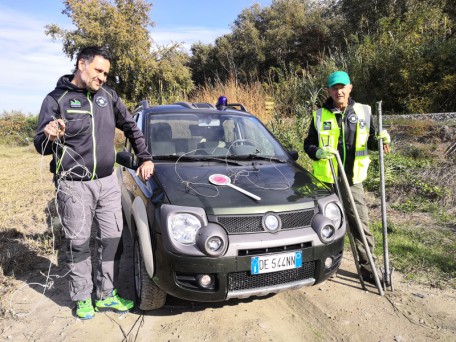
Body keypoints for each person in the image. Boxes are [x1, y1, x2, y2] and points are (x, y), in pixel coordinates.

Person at [34, 46, 155, 319]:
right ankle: (82, 297)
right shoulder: (57, 99)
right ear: (81, 64)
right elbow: (40, 146)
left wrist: (145, 157)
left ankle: (106, 295)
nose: (102, 77)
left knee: (112, 239)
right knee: (78, 243)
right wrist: (50, 134)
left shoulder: (108, 96)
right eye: (98, 70)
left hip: (108, 181)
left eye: (106, 73)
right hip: (73, 185)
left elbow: (131, 127)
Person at [304, 71, 391, 284]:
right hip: (327, 181)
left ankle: (369, 268)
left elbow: (371, 141)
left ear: (350, 87)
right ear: (329, 91)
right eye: (334, 88)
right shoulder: (319, 115)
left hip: (352, 180)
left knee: (360, 224)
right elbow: (309, 144)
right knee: (323, 224)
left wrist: (381, 138)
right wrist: (317, 152)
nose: (338, 91)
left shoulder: (363, 112)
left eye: (342, 87)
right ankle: (318, 265)